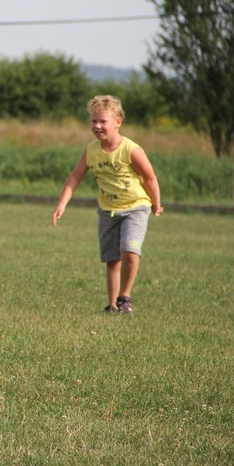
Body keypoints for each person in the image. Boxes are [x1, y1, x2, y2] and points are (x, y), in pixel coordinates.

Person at [52, 95, 163, 314]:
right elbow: (74, 177)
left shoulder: (131, 150)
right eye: (93, 121)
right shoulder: (91, 151)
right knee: (112, 259)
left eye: (103, 121)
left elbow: (150, 177)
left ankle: (125, 297)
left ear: (118, 122)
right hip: (107, 211)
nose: (97, 126)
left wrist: (156, 203)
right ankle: (113, 306)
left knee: (130, 251)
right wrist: (62, 204)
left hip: (135, 207)